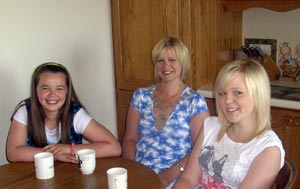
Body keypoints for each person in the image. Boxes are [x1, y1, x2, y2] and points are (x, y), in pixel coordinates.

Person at [173, 60, 285, 189]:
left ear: (258, 95)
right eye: (222, 93)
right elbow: (187, 179)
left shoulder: (268, 149)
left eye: (237, 92)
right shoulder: (211, 126)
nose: (227, 100)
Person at [122, 37, 209, 188]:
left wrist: (167, 176)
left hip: (181, 176)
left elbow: (200, 149)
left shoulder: (195, 101)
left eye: (172, 59)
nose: (166, 65)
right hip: (141, 172)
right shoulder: (140, 96)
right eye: (160, 60)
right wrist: (131, 171)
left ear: (183, 63)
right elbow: (130, 139)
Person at [6, 62, 121, 163]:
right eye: (45, 88)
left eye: (59, 89)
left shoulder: (76, 114)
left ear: (67, 91)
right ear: (35, 90)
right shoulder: (25, 112)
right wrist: (55, 155)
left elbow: (114, 148)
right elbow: (12, 153)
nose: (52, 94)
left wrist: (68, 149)